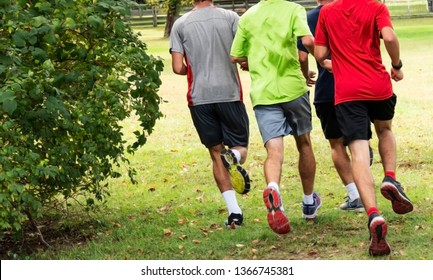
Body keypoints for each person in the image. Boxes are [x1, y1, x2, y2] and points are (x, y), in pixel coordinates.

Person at [314, 0, 414, 256]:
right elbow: (389, 37)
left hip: (347, 92)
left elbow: (319, 53)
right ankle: (390, 177)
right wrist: (397, 65)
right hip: (378, 86)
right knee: (385, 130)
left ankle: (373, 215)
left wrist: (330, 64)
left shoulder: (327, 11)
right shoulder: (375, 7)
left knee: (358, 151)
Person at [230, 0, 321, 235]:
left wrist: (253, 62)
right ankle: (309, 202)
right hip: (292, 88)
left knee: (274, 151)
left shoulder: (248, 16)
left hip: (263, 93)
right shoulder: (294, 10)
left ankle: (273, 188)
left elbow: (235, 56)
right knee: (304, 144)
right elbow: (307, 45)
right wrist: (322, 60)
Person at [169, 0, 251, 228]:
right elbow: (243, 54)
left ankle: (234, 213)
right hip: (229, 94)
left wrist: (194, 67)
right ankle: (233, 156)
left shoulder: (180, 24)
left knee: (216, 154)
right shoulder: (231, 18)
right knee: (239, 148)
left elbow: (177, 67)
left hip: (199, 98)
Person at [297, 0, 368, 212]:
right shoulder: (352, 11)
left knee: (337, 144)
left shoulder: (309, 18)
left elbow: (302, 54)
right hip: (357, 84)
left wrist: (306, 72)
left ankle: (356, 196)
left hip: (328, 89)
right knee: (359, 141)